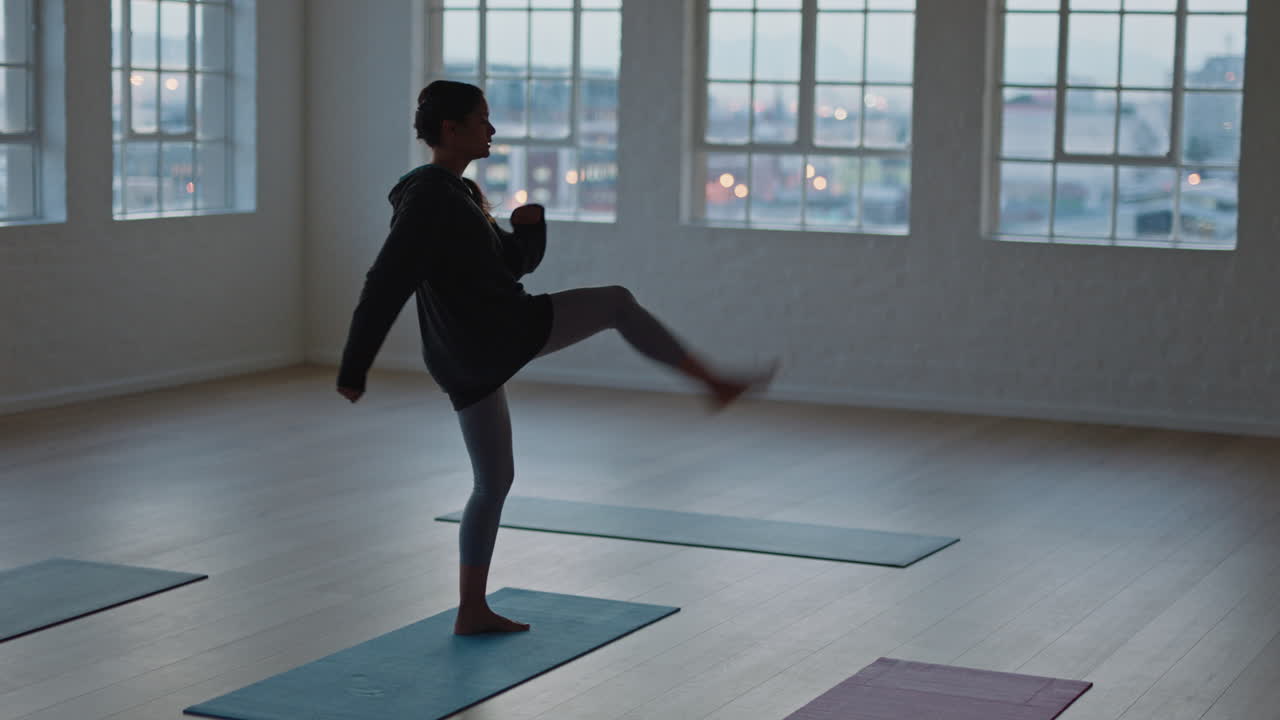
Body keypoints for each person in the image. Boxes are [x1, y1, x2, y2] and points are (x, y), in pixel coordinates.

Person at [336, 80, 776, 635]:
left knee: (493, 483)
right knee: (616, 302)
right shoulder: (428, 198)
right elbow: (386, 282)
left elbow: (511, 265)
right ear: (451, 130)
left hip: (464, 351)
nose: (491, 130)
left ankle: (471, 609)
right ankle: (714, 383)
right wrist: (355, 366)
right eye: (481, 120)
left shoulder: (457, 194)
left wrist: (529, 229)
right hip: (496, 333)